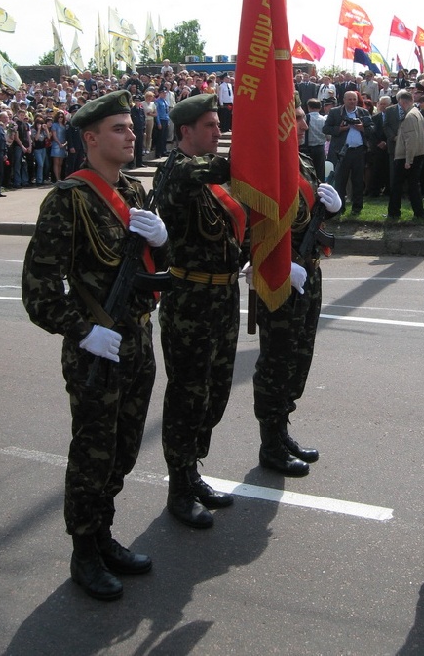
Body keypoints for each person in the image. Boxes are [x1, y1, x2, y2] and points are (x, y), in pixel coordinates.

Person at [22, 90, 168, 601]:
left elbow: (155, 269)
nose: (132, 135)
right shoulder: (68, 199)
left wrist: (162, 242)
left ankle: (103, 532)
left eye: (132, 127)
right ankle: (84, 550)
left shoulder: (134, 191)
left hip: (138, 342)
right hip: (97, 351)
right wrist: (83, 331)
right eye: (119, 129)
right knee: (93, 453)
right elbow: (39, 292)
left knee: (124, 448)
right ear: (90, 139)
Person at [155, 94, 247, 529]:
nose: (218, 131)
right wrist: (260, 148)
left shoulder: (208, 180)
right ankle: (179, 487)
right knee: (188, 396)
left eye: (218, 124)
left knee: (215, 393)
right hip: (190, 302)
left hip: (223, 299)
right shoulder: (178, 171)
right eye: (210, 125)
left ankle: (192, 470)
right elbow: (222, 168)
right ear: (185, 131)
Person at [248, 104, 341, 476]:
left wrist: (331, 210)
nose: (303, 124)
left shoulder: (303, 162)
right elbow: (249, 223)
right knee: (277, 361)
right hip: (281, 276)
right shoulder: (263, 166)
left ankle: (282, 429)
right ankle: (270, 443)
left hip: (309, 274)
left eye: (302, 118)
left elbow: (307, 219)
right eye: (297, 118)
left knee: (299, 358)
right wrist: (278, 264)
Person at [323, 91, 373, 215]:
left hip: (358, 151)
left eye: (354, 99)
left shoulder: (363, 112)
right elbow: (326, 128)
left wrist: (362, 128)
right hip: (341, 152)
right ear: (344, 100)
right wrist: (340, 129)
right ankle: (340, 208)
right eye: (349, 99)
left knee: (358, 180)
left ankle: (357, 208)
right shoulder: (335, 112)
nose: (352, 101)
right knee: (340, 181)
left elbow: (372, 128)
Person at [386, 89, 424, 220]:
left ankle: (394, 212)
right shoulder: (417, 113)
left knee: (398, 185)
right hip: (417, 153)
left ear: (403, 102)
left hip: (407, 155)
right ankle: (419, 213)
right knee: (413, 185)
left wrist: (408, 160)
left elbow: (411, 140)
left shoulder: (409, 116)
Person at [302, 97, 327, 183]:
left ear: (309, 107)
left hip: (307, 149)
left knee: (307, 173)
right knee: (320, 173)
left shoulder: (305, 118)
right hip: (320, 148)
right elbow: (328, 137)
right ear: (320, 108)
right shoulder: (324, 119)